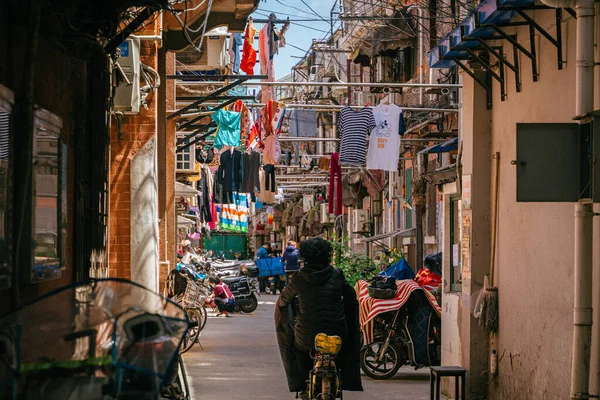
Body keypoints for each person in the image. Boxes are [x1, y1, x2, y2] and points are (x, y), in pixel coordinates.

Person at [275, 237, 363, 398]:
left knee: (297, 348)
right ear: (327, 255)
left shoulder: (298, 277)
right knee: (350, 341)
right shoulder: (337, 274)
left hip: (306, 336)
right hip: (338, 335)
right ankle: (343, 377)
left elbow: (282, 301)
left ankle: (301, 385)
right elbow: (351, 298)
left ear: (305, 256)